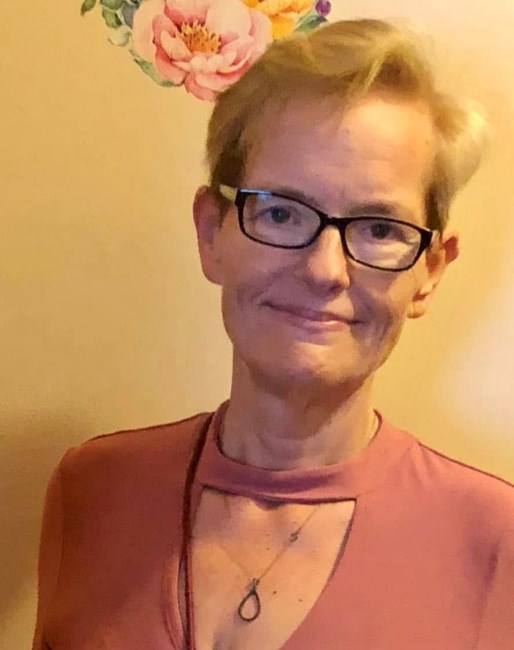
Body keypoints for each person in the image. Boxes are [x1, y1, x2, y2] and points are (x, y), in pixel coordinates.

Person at [33, 18, 514, 650]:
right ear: (212, 232)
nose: (324, 270)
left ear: (429, 271)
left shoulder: (496, 543)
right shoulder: (91, 490)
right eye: (282, 212)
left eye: (379, 229)